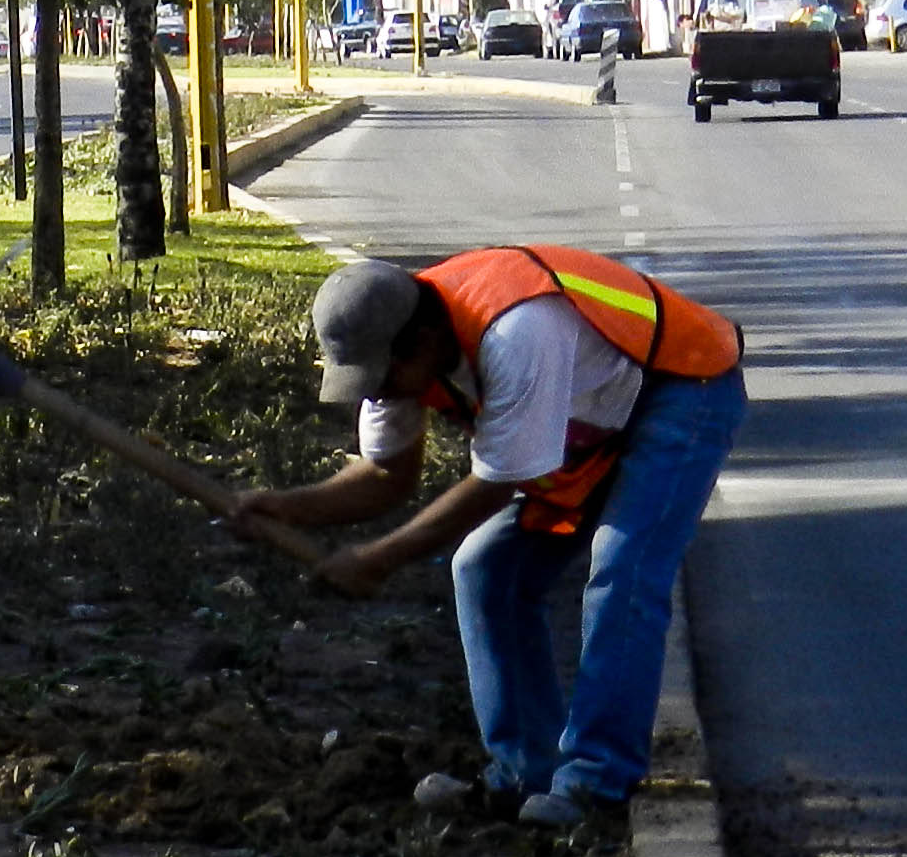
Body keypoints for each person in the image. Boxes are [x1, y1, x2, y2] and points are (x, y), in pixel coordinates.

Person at [233, 248, 746, 825]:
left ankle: (597, 783)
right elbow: (384, 475)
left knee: (623, 568)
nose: (379, 394)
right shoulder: (398, 356)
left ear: (423, 340)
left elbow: (500, 481)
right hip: (589, 424)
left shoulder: (517, 328)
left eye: (384, 378)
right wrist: (284, 508)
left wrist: (378, 558)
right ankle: (524, 770)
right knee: (483, 568)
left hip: (681, 385)